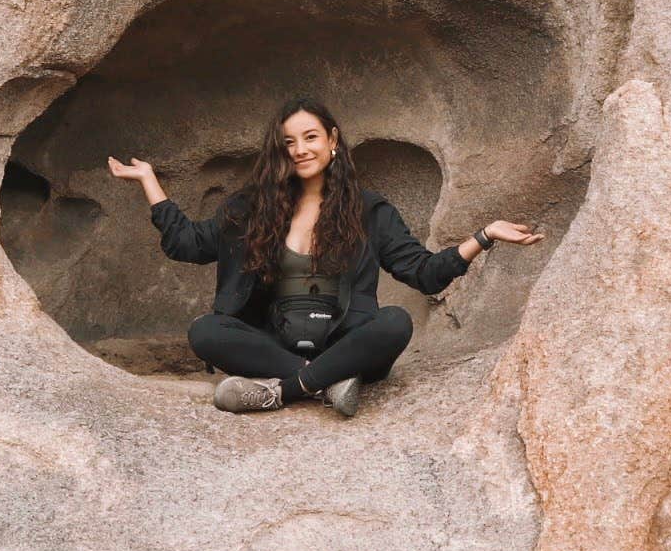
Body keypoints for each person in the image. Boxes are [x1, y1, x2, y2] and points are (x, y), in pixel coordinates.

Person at [107, 97, 544, 416]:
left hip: (346, 342)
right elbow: (188, 244)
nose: (300, 149)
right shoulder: (251, 207)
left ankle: (281, 392)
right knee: (206, 330)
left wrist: (484, 235)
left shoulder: (370, 210)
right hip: (273, 343)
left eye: (311, 137)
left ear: (332, 139)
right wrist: (149, 180)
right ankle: (326, 383)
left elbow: (424, 274)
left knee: (395, 322)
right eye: (289, 142)